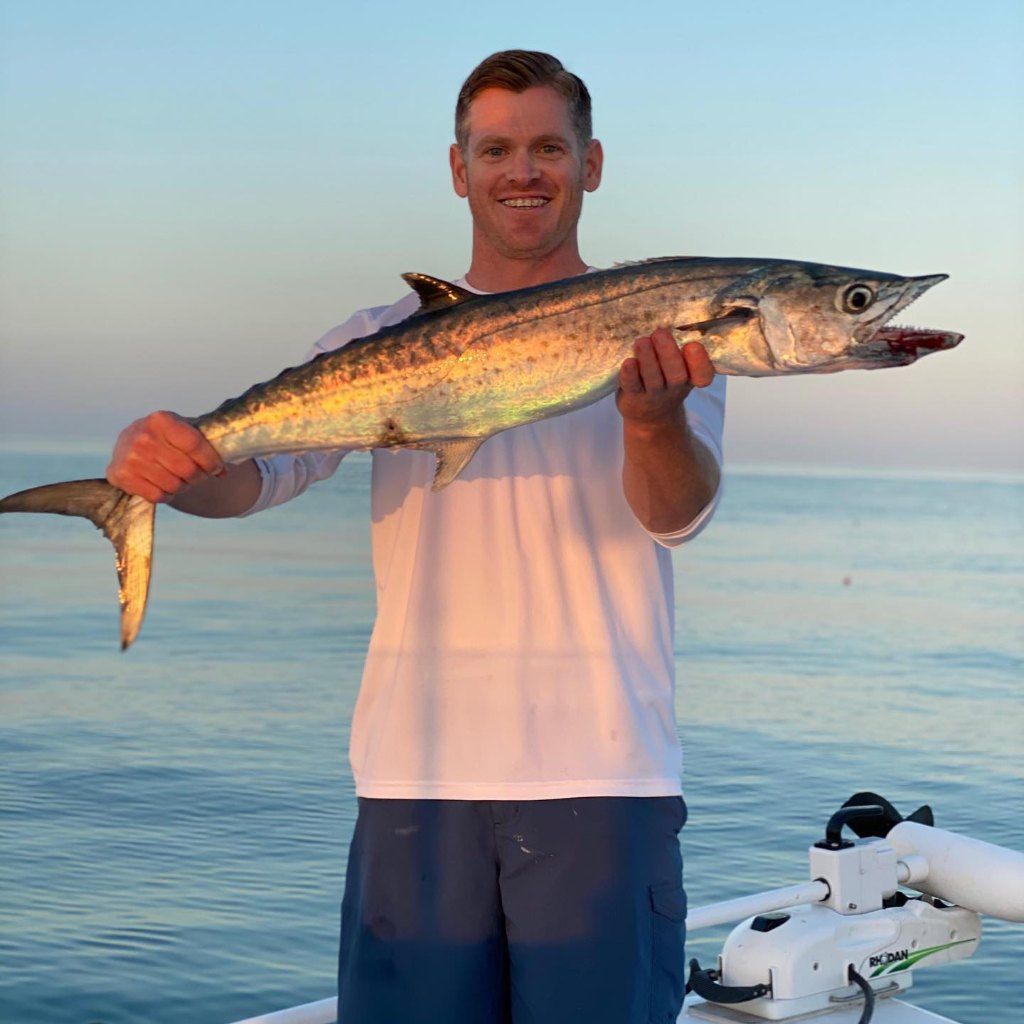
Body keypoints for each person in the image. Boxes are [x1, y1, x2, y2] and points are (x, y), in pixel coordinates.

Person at [107, 50, 726, 1024]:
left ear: (591, 162)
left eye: (546, 148)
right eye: (496, 149)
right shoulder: (378, 334)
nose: (522, 169)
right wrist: (173, 468)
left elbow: (676, 515)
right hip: (414, 778)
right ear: (458, 169)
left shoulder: (665, 333)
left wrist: (652, 420)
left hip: (605, 777)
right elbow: (257, 476)